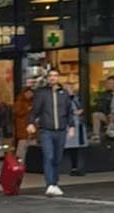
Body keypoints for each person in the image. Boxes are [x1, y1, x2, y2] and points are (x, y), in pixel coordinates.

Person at [27, 68, 73, 197]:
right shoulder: (42, 93)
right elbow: (35, 110)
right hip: (46, 130)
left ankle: (55, 182)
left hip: (61, 130)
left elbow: (69, 111)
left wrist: (72, 126)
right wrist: (30, 123)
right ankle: (50, 184)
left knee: (57, 158)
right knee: (49, 156)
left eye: (55, 75)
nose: (53, 78)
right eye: (50, 76)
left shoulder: (64, 93)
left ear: (59, 78)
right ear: (47, 78)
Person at [64, 84, 88, 176]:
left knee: (78, 147)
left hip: (79, 125)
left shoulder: (75, 99)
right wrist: (75, 113)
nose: (70, 90)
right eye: (67, 88)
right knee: (72, 147)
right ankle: (73, 168)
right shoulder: (63, 100)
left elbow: (81, 108)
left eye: (70, 88)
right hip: (70, 126)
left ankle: (78, 167)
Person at [13, 86, 35, 161]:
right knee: (22, 147)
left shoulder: (33, 101)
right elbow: (17, 112)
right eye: (27, 93)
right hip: (22, 127)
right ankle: (19, 163)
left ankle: (30, 163)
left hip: (32, 128)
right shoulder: (20, 101)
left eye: (31, 93)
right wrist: (27, 110)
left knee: (32, 146)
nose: (29, 95)